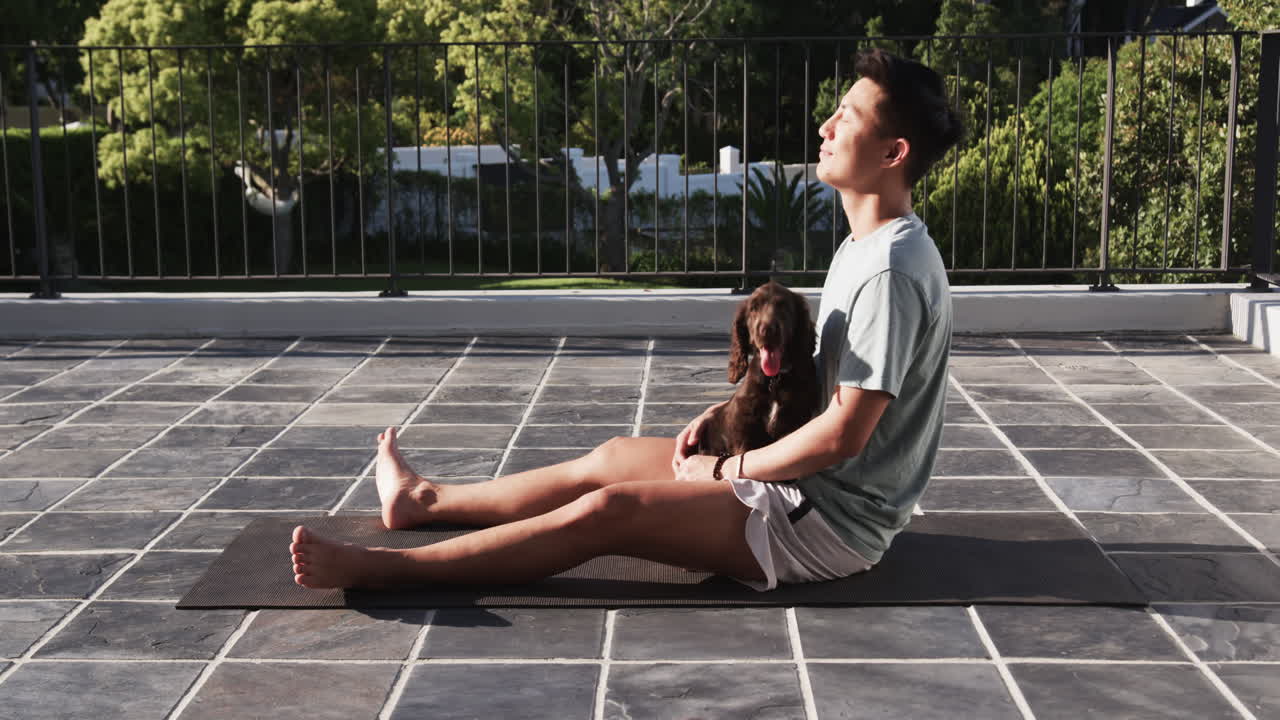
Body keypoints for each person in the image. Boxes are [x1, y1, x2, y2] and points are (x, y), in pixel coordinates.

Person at [288, 48, 963, 592]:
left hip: (824, 523)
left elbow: (844, 435)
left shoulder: (891, 271)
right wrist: (729, 413)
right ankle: (423, 503)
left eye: (846, 117)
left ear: (893, 152)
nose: (825, 127)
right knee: (612, 457)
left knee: (609, 513)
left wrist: (732, 471)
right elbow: (819, 381)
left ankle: (387, 571)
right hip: (798, 488)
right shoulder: (867, 247)